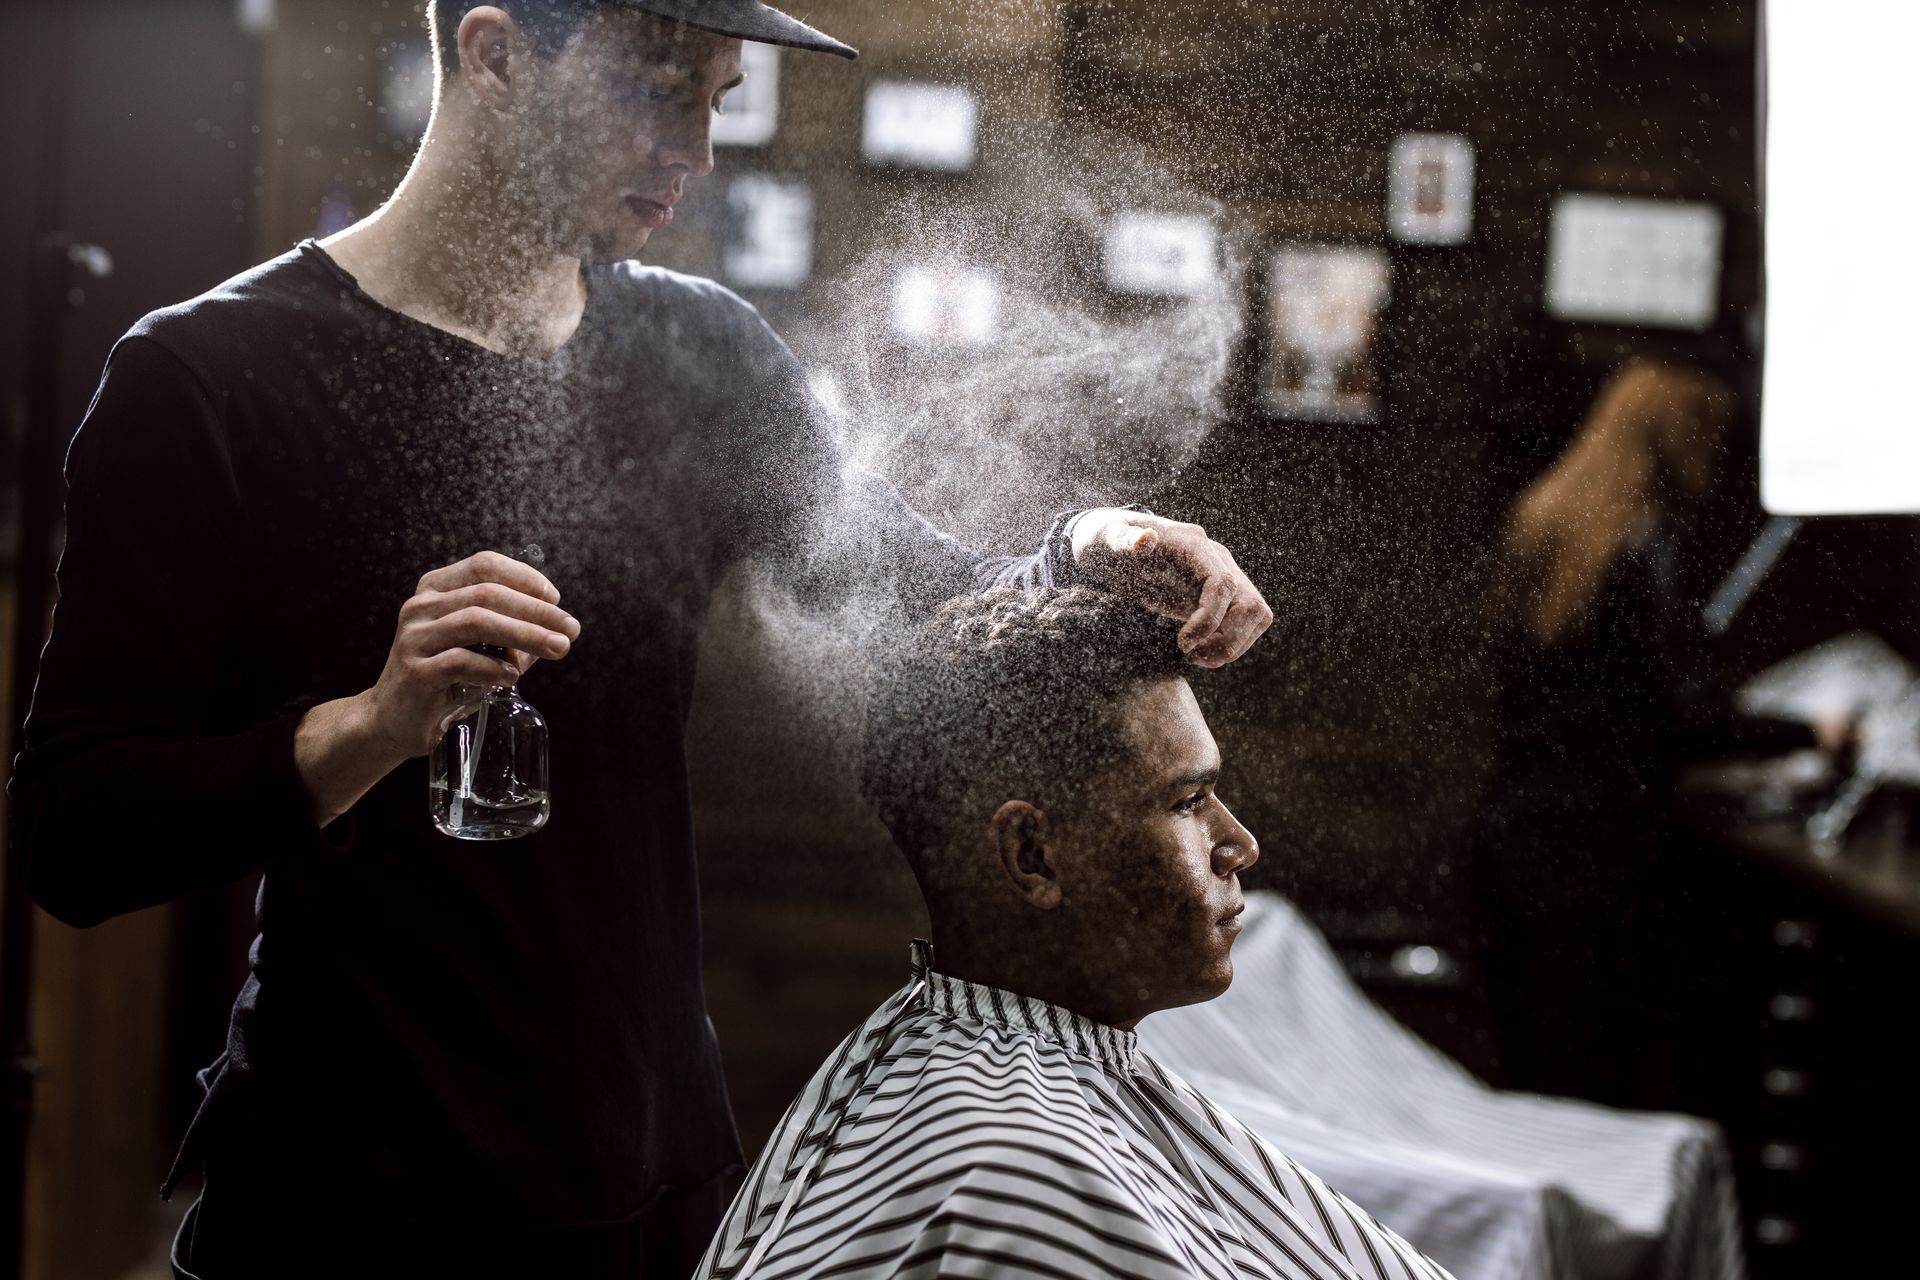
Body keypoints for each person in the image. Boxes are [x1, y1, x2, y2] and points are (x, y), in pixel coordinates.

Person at [8, 3, 1272, 1277]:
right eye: (663, 90)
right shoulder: (208, 376)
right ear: (498, 54)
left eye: (717, 98)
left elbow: (921, 588)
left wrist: (1092, 544)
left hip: (644, 1166)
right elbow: (73, 831)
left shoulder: (701, 351)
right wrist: (374, 722)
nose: (698, 149)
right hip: (345, 1186)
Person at [696, 587, 1449, 1280]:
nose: (1240, 844)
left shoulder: (944, 1064)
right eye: (1189, 801)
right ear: (1033, 856)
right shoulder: (1021, 1174)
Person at [1475, 357, 1819, 1105]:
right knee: (1594, 1073)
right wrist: (1807, 730)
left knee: (1534, 1071)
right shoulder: (1645, 545)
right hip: (1597, 854)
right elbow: (1685, 713)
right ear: (1677, 437)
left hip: (1517, 833)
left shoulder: (1545, 519)